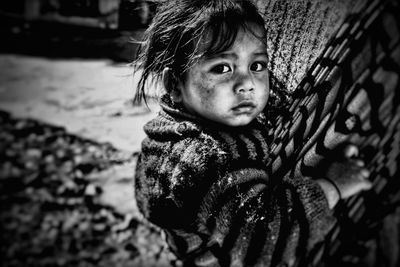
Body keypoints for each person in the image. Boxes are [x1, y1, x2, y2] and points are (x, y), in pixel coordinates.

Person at [133, 0, 372, 266]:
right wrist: (334, 185)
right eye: (222, 68)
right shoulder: (201, 161)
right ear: (175, 85)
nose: (247, 84)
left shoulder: (196, 124)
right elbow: (266, 240)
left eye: (257, 66)